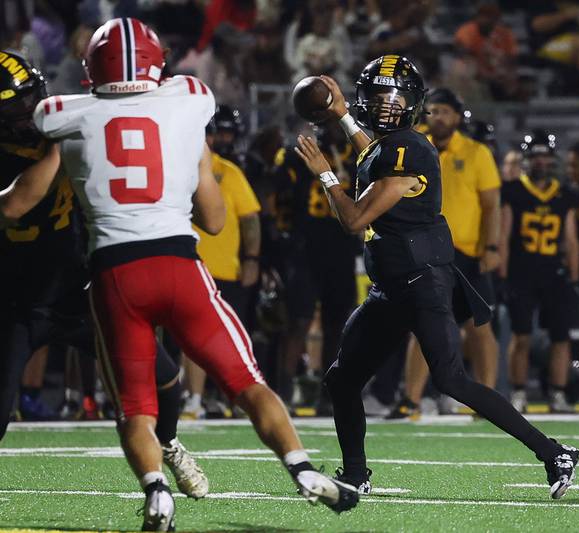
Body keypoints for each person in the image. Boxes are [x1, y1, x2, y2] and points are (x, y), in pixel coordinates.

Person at [0, 19, 357, 531]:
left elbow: (21, 193)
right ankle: (299, 467)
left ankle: (156, 492)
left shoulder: (61, 115)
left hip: (113, 274)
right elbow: (213, 220)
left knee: (136, 407)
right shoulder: (188, 98)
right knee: (247, 382)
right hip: (177, 263)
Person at [292, 55, 579, 500]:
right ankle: (355, 474)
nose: (387, 107)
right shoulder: (392, 144)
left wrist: (324, 173)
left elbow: (353, 219)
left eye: (395, 99)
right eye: (379, 98)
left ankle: (554, 453)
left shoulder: (409, 149)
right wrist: (344, 116)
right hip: (392, 286)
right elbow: (373, 150)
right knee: (342, 379)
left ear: (413, 104)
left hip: (422, 280)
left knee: (450, 379)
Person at [0, 49, 210, 500]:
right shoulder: (53, 139)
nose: (29, 110)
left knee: (165, 378)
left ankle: (168, 443)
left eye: (30, 96)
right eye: (15, 106)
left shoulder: (67, 125)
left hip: (79, 289)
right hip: (15, 299)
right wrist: (66, 140)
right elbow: (13, 204)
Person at [388, 87, 502, 419]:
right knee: (423, 325)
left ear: (457, 116)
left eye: (445, 111)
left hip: (466, 250)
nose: (439, 117)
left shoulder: (477, 152)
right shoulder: (413, 145)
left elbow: (492, 205)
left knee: (480, 328)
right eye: (434, 110)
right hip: (423, 249)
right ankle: (411, 400)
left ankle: (488, 401)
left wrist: (492, 246)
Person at [182, 104, 262, 420]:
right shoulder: (175, 165)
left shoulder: (228, 171)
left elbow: (250, 219)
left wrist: (252, 258)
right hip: (188, 264)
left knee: (228, 338)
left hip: (226, 267)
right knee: (192, 337)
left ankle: (231, 397)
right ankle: (194, 399)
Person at [271, 122, 358, 413]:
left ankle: (329, 392)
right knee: (298, 320)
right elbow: (277, 198)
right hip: (304, 249)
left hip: (340, 248)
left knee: (338, 323)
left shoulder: (354, 155)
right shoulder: (297, 155)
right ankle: (283, 391)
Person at [500, 131, 579, 413]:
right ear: (527, 159)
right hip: (522, 272)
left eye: (546, 157)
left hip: (552, 273)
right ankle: (519, 392)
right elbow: (504, 237)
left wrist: (575, 275)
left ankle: (557, 393)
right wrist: (502, 275)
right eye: (536, 157)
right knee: (521, 336)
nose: (541, 163)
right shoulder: (513, 191)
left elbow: (570, 240)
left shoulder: (564, 195)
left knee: (561, 337)